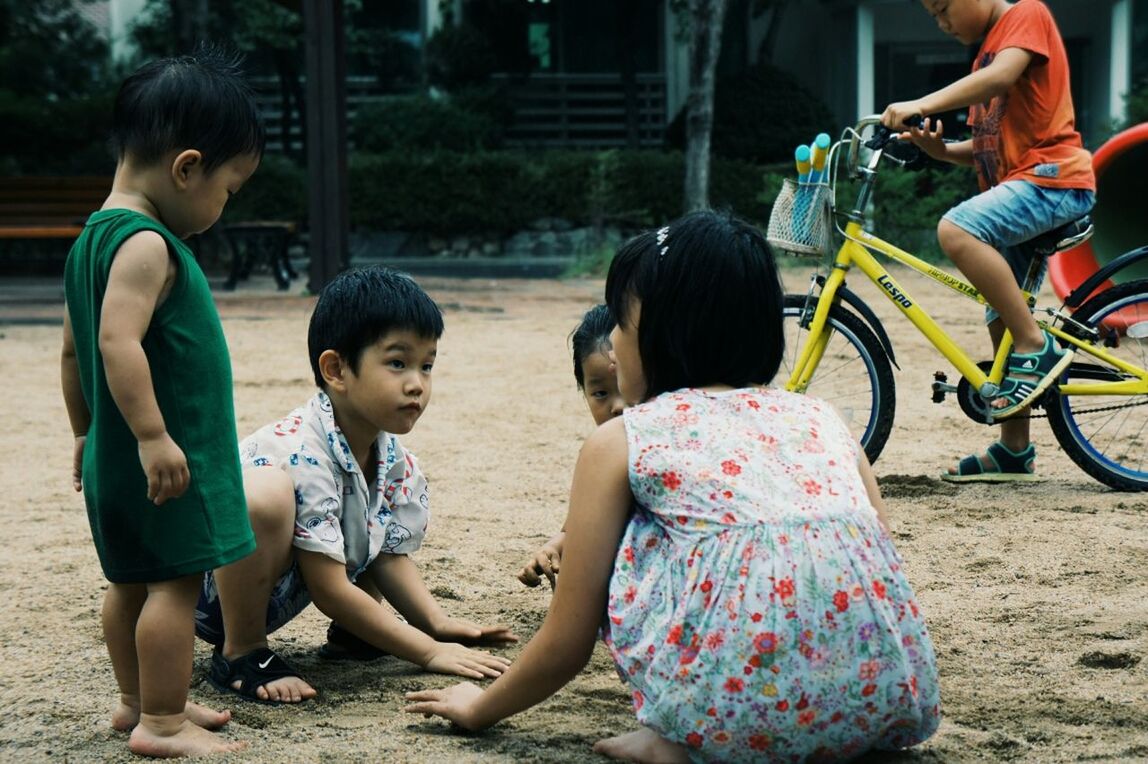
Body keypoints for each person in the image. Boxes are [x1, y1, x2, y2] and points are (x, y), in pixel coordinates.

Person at [406, 211, 940, 761]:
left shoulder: (622, 440)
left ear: (663, 331)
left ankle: (681, 736)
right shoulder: (822, 418)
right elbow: (875, 558)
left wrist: (479, 707)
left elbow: (568, 643)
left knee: (631, 539)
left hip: (732, 720)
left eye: (620, 321)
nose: (611, 344)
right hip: (895, 698)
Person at [60, 48, 264, 757]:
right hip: (165, 456)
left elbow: (72, 352)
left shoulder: (90, 242)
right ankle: (164, 721)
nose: (222, 204)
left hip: (115, 456)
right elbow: (118, 344)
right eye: (228, 188)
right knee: (174, 587)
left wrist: (88, 433)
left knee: (129, 583)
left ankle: (133, 702)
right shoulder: (148, 245)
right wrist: (151, 436)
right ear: (187, 167)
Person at [195, 265, 518, 704]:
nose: (416, 384)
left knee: (369, 517)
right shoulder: (302, 450)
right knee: (267, 495)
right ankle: (243, 651)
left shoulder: (391, 457)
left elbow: (388, 555)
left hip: (277, 588)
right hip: (211, 593)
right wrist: (429, 651)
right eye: (397, 363)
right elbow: (328, 588)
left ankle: (354, 634)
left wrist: (436, 623)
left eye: (427, 366)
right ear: (337, 370)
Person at [880, 0, 1096, 482]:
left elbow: (1001, 78)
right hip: (1022, 186)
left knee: (956, 229)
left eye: (943, 9)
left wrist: (923, 102)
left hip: (1051, 180)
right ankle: (1014, 450)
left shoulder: (1025, 17)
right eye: (932, 16)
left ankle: (1035, 345)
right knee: (999, 310)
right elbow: (987, 145)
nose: (941, 22)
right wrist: (940, 151)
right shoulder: (984, 58)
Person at [518, 304, 624, 588]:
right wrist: (552, 549)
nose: (618, 406)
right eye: (600, 393)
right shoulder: (601, 456)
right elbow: (577, 529)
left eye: (627, 386)